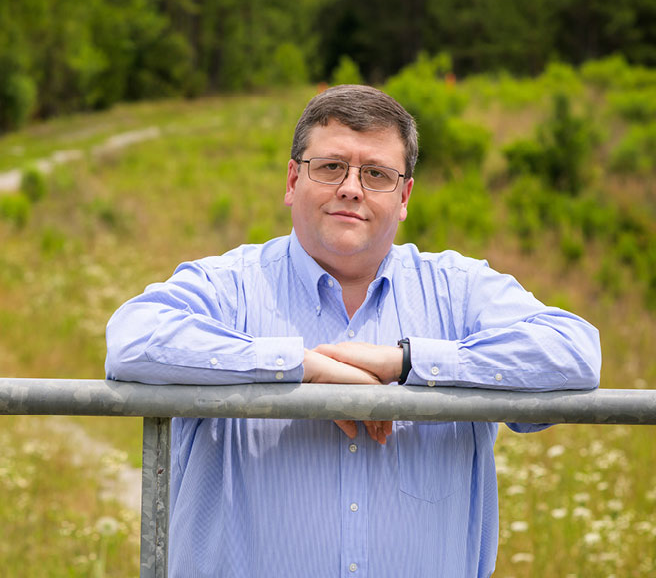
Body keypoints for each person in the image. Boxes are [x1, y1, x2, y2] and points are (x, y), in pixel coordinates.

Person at [105, 84, 601, 577]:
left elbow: (575, 352)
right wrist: (301, 369)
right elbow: (133, 338)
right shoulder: (228, 286)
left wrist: (409, 364)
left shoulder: (459, 291)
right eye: (330, 167)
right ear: (291, 180)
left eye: (376, 174)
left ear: (404, 196)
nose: (351, 187)